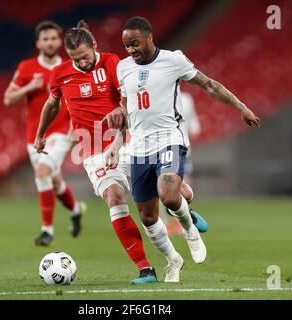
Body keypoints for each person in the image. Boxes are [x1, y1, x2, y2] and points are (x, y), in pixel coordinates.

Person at [102, 16, 260, 282]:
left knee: (168, 194)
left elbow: (209, 85)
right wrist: (117, 145)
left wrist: (241, 107)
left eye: (135, 43)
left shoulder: (174, 60)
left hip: (169, 137)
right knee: (148, 217)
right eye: (127, 45)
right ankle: (173, 260)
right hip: (139, 145)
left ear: (150, 37)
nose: (130, 49)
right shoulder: (123, 68)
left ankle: (190, 231)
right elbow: (125, 112)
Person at [34, 21, 157, 284]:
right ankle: (145, 268)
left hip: (127, 140)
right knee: (114, 198)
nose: (83, 63)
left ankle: (182, 208)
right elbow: (52, 104)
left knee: (154, 198)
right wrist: (40, 133)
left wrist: (121, 125)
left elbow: (127, 100)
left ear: (95, 47)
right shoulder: (60, 74)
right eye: (76, 59)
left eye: (86, 57)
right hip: (92, 148)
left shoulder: (112, 62)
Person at [3, 21, 86, 246]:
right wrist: (30, 87)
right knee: (55, 180)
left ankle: (47, 230)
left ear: (60, 41)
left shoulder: (71, 66)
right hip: (35, 136)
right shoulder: (27, 68)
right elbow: (8, 99)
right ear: (38, 43)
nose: (50, 42)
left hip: (62, 132)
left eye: (53, 38)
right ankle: (76, 209)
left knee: (42, 171)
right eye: (45, 39)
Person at [160, 92, 207, 236]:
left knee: (184, 185)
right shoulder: (159, 95)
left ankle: (179, 222)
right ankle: (166, 223)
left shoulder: (186, 98)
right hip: (164, 148)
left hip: (183, 149)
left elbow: (193, 124)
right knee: (165, 187)